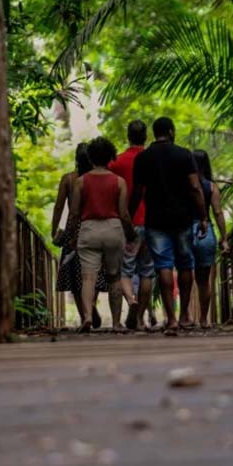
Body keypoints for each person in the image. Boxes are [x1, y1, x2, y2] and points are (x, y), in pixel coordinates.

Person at [129, 117, 208, 334]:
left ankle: (171, 319)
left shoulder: (144, 158)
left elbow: (137, 192)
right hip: (182, 219)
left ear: (154, 134)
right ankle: (184, 315)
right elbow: (194, 187)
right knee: (185, 264)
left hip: (155, 220)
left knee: (163, 265)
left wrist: (128, 217)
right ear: (171, 132)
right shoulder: (184, 155)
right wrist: (203, 217)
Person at [69, 136, 136, 333]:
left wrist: (73, 235)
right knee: (114, 277)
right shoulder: (119, 182)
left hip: (89, 229)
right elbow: (124, 213)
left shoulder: (81, 182)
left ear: (90, 157)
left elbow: (74, 213)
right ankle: (116, 323)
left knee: (88, 277)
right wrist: (131, 234)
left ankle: (88, 317)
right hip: (113, 230)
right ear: (111, 157)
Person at [51, 143, 107, 328]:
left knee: (74, 274)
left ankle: (85, 315)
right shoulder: (97, 178)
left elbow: (59, 206)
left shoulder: (68, 179)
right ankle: (90, 303)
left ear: (76, 158)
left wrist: (54, 230)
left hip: (73, 229)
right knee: (95, 269)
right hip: (94, 226)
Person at [108, 120, 155, 330]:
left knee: (125, 271)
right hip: (153, 222)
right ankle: (139, 319)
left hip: (129, 222)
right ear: (145, 137)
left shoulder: (116, 163)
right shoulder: (153, 161)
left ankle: (131, 301)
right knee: (147, 272)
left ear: (128, 135)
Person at [189, 150, 229, 328]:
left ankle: (184, 317)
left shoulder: (184, 185)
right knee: (203, 281)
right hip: (206, 233)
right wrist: (224, 238)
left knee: (184, 276)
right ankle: (204, 319)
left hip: (185, 232)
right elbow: (218, 213)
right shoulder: (211, 187)